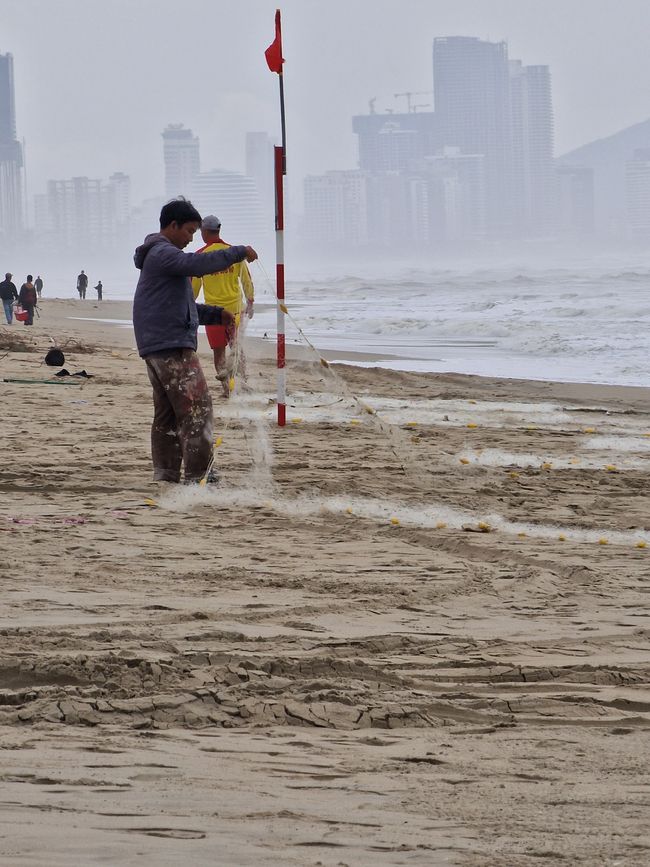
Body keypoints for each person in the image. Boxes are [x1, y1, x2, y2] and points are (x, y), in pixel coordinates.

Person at [132, 198, 257, 486]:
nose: (190, 239)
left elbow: (179, 308)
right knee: (198, 408)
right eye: (188, 231)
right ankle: (200, 475)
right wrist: (238, 252)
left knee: (168, 414)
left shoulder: (161, 257)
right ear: (172, 225)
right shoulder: (163, 252)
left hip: (157, 343)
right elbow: (197, 264)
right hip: (169, 345)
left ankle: (166, 476)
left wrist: (215, 314)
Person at [191, 215, 255, 397]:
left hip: (214, 314)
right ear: (218, 230)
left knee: (219, 352)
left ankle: (228, 390)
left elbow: (193, 289)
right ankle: (243, 384)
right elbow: (246, 280)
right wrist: (250, 301)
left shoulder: (200, 256)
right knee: (237, 349)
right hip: (236, 310)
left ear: (203, 232)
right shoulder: (234, 253)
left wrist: (188, 306)